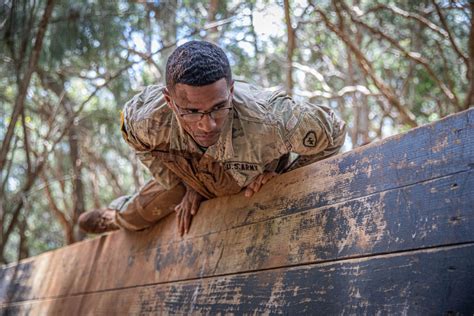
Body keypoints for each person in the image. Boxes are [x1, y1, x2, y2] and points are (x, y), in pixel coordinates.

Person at [78, 40, 346, 236]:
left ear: (231, 89)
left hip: (247, 181)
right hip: (188, 171)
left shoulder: (272, 117)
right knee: (140, 214)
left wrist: (287, 177)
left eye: (218, 107)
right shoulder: (145, 118)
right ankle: (115, 217)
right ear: (169, 101)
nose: (208, 124)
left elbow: (333, 131)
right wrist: (182, 182)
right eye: (192, 112)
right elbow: (136, 141)